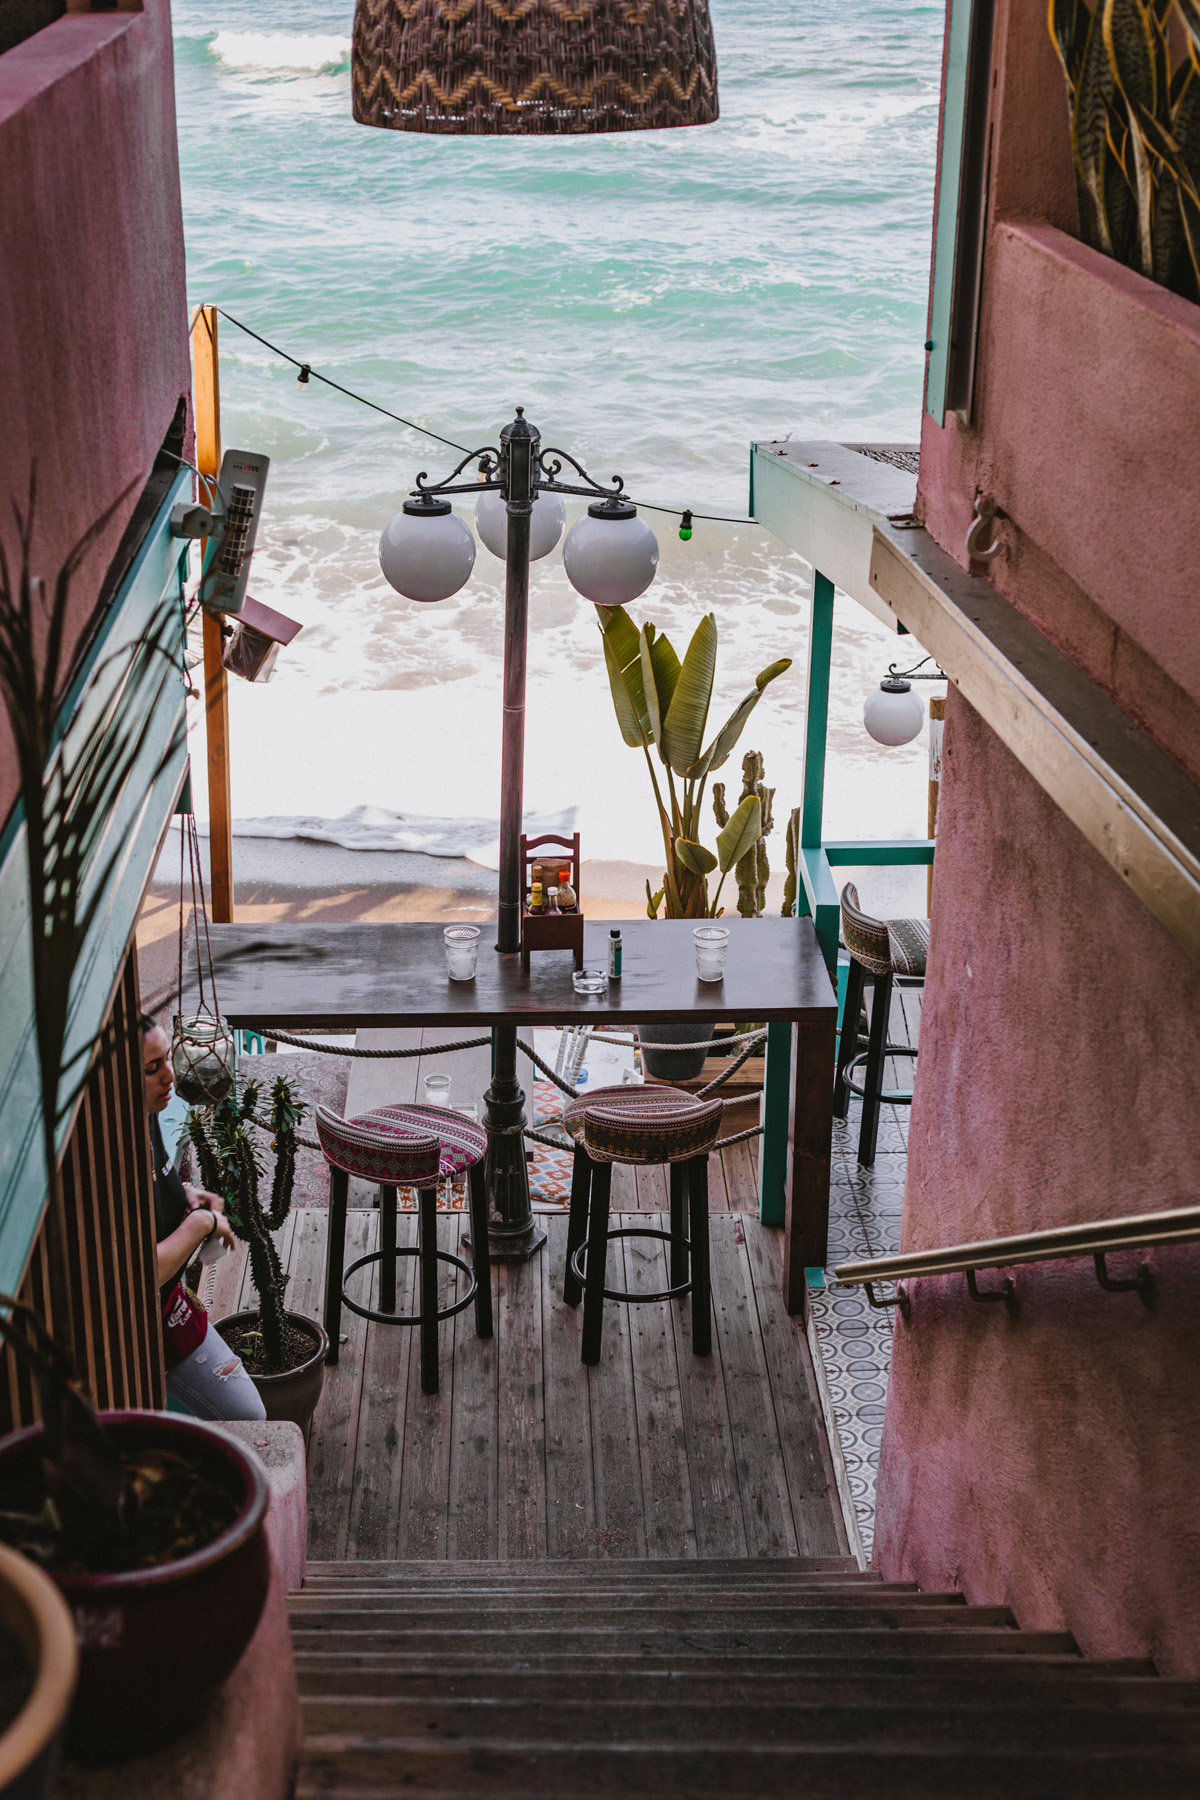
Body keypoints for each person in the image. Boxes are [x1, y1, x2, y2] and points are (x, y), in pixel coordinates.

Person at [141, 1018, 266, 1421]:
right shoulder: (109, 1155)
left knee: (249, 1412)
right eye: (151, 1068)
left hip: (171, 1306)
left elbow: (159, 1180)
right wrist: (200, 1225)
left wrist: (186, 1195)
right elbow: (141, 1272)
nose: (169, 1077)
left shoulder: (146, 1114)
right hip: (137, 1327)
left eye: (166, 1060)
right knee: (246, 1416)